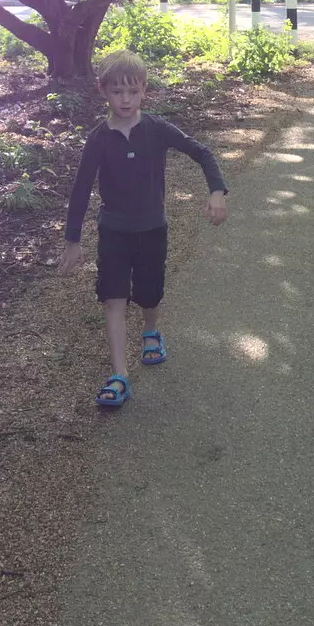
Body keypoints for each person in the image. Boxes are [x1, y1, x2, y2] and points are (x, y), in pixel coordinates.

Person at [58, 49, 228, 408]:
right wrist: (72, 241)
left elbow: (203, 153)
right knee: (113, 298)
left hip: (152, 229)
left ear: (143, 91)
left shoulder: (156, 130)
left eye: (132, 92)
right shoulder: (99, 139)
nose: (125, 99)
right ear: (103, 91)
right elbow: (80, 189)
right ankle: (119, 376)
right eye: (117, 92)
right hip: (113, 231)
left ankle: (151, 329)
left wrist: (216, 192)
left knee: (149, 293)